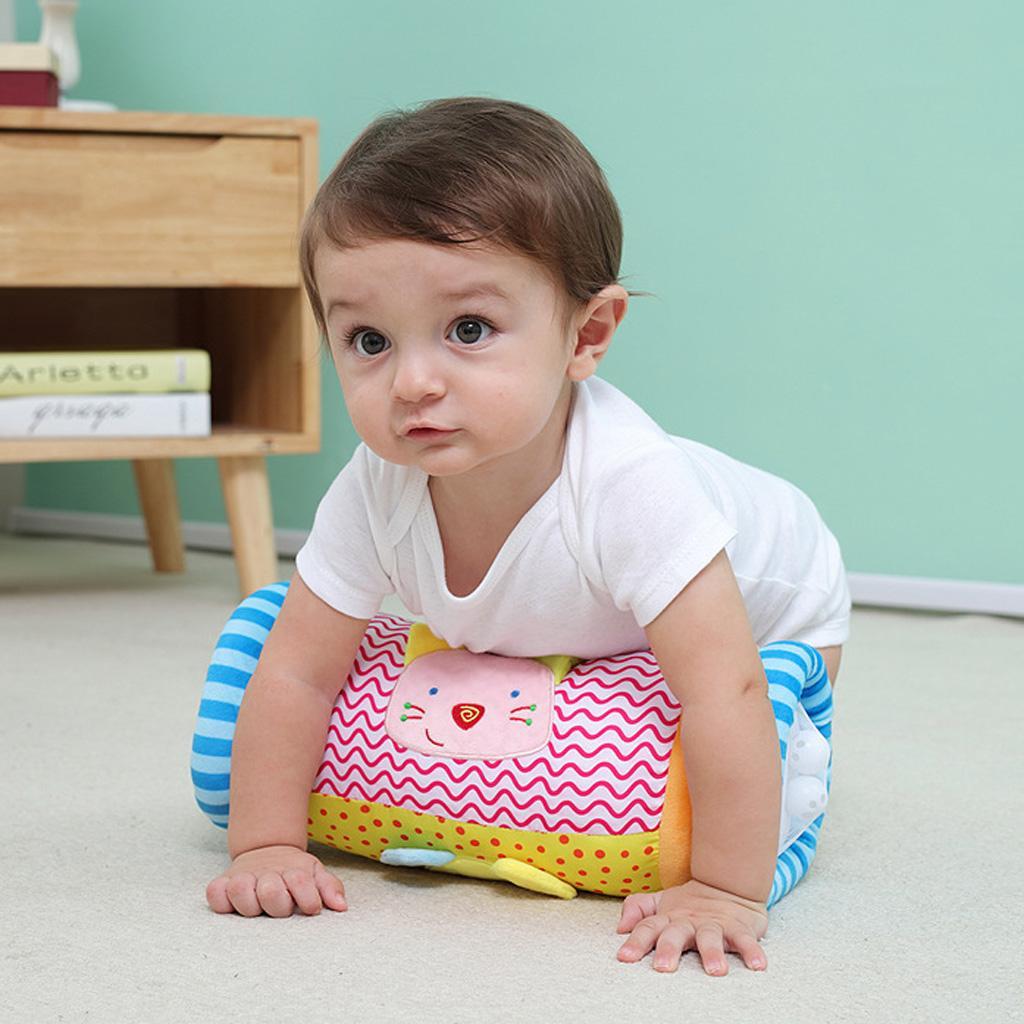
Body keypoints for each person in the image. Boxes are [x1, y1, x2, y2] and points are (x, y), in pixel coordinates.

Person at [204, 96, 851, 976]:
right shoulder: (375, 486)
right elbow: (294, 669)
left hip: (780, 604)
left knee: (757, 741)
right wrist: (265, 844)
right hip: (589, 616)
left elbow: (726, 692)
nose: (413, 382)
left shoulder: (631, 491)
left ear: (587, 334)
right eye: (368, 340)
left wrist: (724, 889)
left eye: (468, 330)